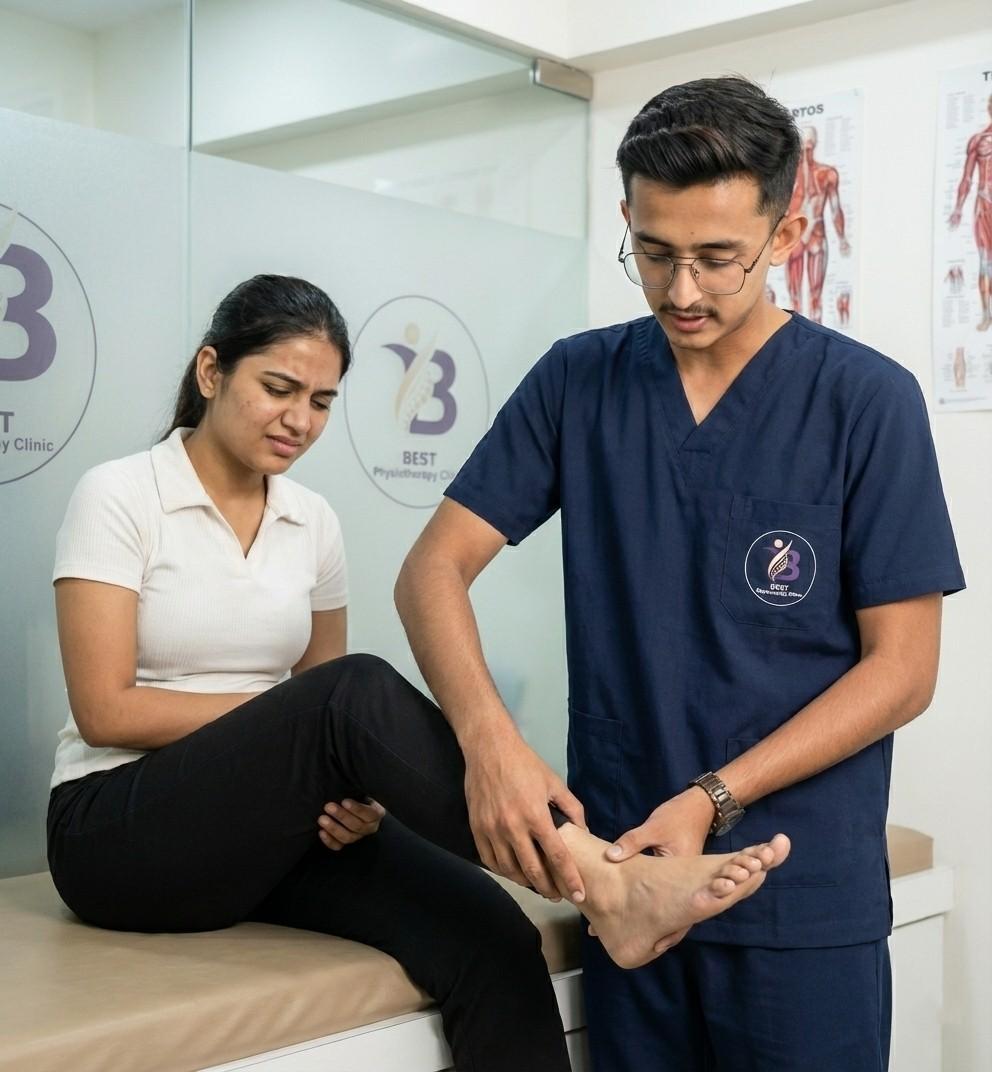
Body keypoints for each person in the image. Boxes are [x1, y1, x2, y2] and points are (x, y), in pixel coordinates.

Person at [46, 274, 790, 1072]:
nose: (300, 420)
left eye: (323, 401)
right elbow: (106, 710)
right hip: (117, 834)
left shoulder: (312, 522)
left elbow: (322, 728)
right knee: (350, 693)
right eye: (278, 388)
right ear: (210, 373)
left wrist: (352, 792)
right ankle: (603, 881)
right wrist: (309, 733)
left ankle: (587, 887)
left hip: (255, 837)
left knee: (494, 935)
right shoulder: (121, 496)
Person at [395, 76, 965, 1072]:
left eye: (716, 258)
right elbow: (431, 568)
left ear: (785, 238)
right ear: (625, 218)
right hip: (630, 893)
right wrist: (489, 743)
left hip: (797, 897)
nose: (681, 291)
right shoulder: (580, 381)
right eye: (652, 253)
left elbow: (902, 670)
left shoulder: (864, 402)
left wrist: (713, 795)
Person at [786, 124, 851, 324]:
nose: (806, 155)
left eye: (809, 148)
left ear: (814, 145)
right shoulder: (787, 177)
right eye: (803, 149)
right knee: (794, 300)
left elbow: (835, 209)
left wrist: (842, 238)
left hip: (815, 235)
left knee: (815, 298)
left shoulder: (827, 174)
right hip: (795, 239)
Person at [949, 92, 992, 331]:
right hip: (985, 206)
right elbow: (966, 178)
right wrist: (957, 208)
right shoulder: (978, 140)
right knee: (986, 263)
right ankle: (987, 312)